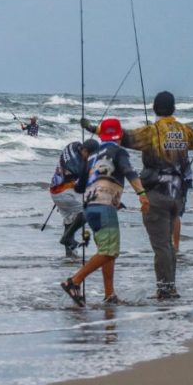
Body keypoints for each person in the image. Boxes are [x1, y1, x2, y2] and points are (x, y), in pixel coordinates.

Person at [82, 91, 193, 300]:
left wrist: (92, 128)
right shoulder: (185, 131)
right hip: (178, 195)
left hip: (156, 194)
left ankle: (166, 289)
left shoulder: (151, 132)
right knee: (169, 244)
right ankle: (170, 287)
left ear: (154, 109)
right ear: (173, 109)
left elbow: (122, 137)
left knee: (161, 245)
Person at [60, 118, 149, 306]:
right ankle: (73, 282)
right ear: (120, 136)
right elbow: (129, 171)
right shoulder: (118, 151)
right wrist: (142, 194)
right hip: (104, 207)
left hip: (89, 209)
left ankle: (110, 294)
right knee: (110, 251)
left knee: (105, 251)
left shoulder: (91, 156)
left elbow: (79, 187)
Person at [50, 139, 99, 257]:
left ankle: (69, 253)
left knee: (70, 220)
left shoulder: (72, 145)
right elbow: (82, 186)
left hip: (55, 190)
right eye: (90, 155)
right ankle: (66, 238)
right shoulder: (77, 167)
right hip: (65, 194)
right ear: (85, 150)